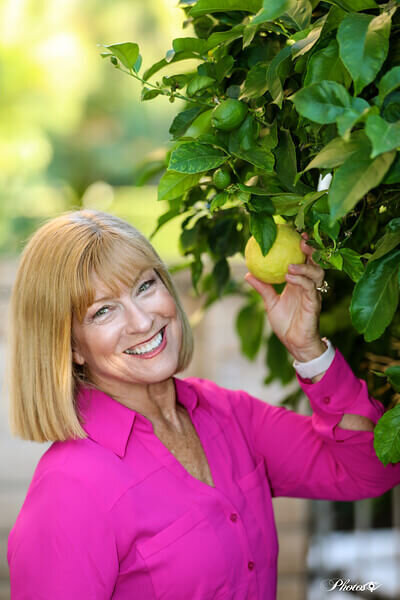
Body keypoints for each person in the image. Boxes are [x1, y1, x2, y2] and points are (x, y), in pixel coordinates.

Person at [6, 209, 400, 600]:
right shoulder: (68, 490)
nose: (143, 321)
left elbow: (371, 470)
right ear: (71, 346)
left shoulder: (227, 415)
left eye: (145, 286)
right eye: (103, 311)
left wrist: (307, 350)